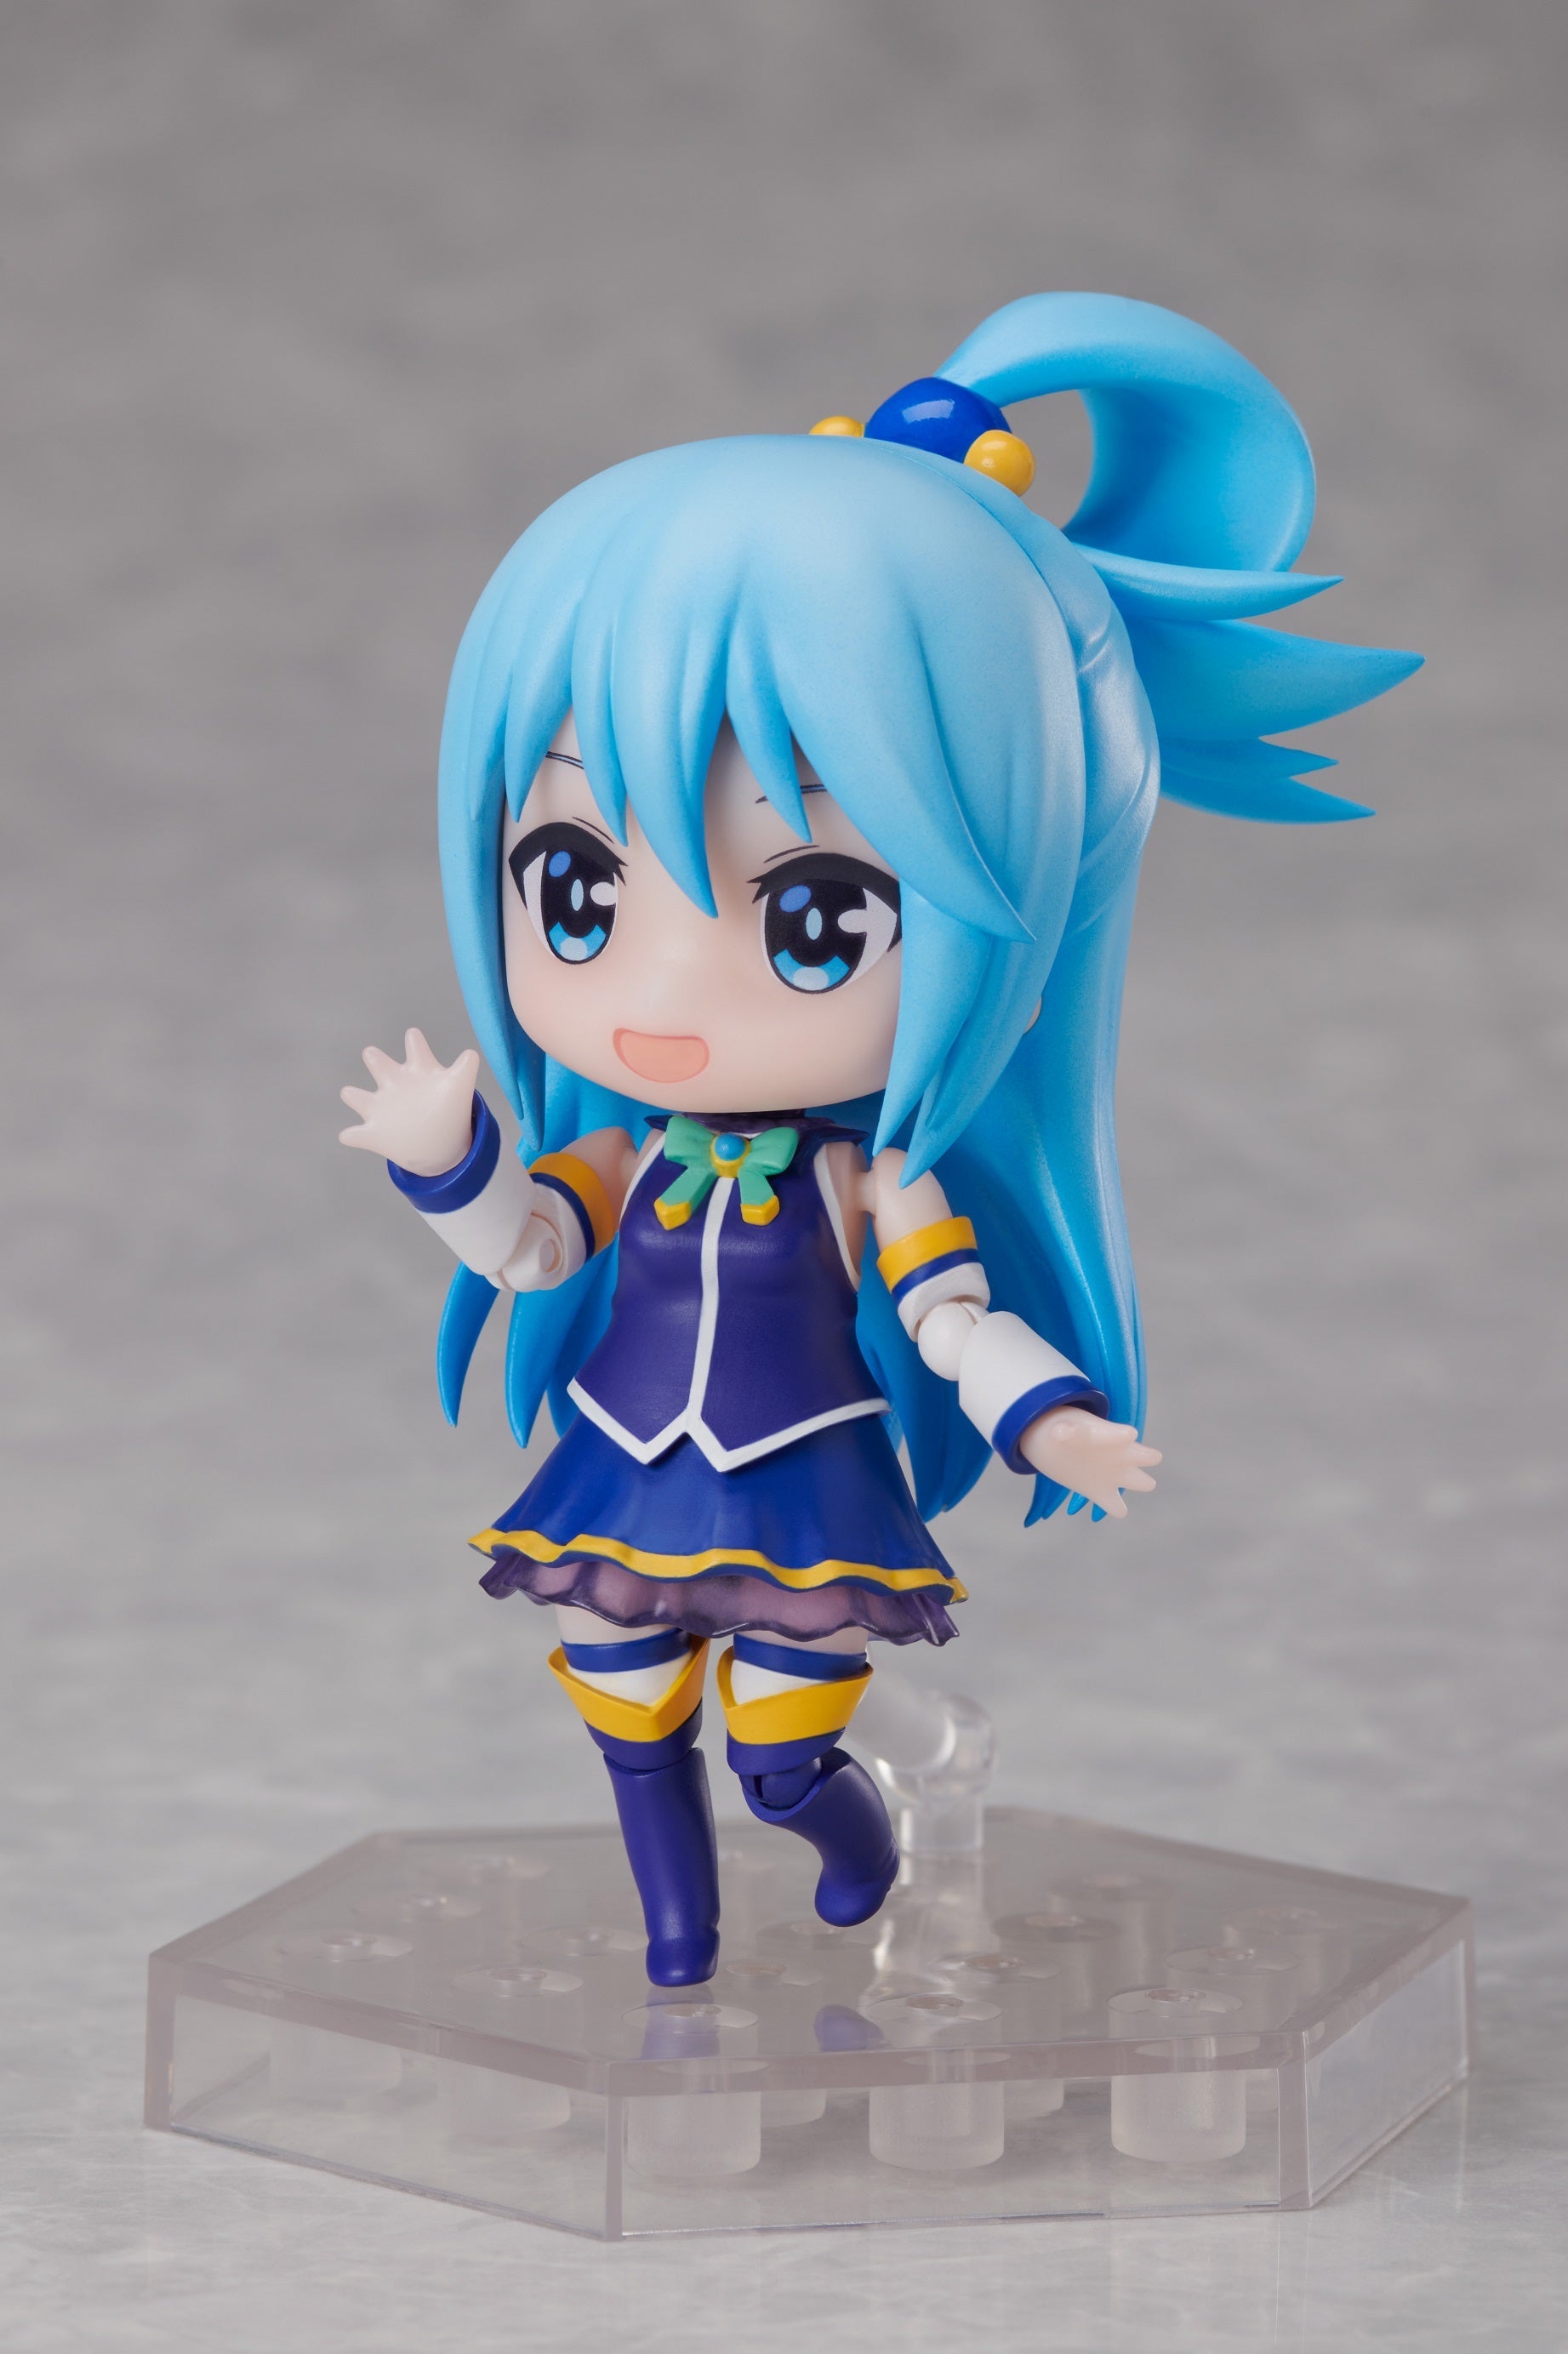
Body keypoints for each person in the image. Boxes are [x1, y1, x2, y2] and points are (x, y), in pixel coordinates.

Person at [340, 293, 1419, 1985]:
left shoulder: (869, 1178)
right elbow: (532, 1253)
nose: (666, 992)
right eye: (579, 888)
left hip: (806, 1484)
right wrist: (445, 1161)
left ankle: (845, 1831)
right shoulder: (624, 1157)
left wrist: (1047, 1415)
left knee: (781, 1739)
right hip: (626, 1461)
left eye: (817, 914)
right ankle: (680, 1931)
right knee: (623, 1702)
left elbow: (949, 1315)